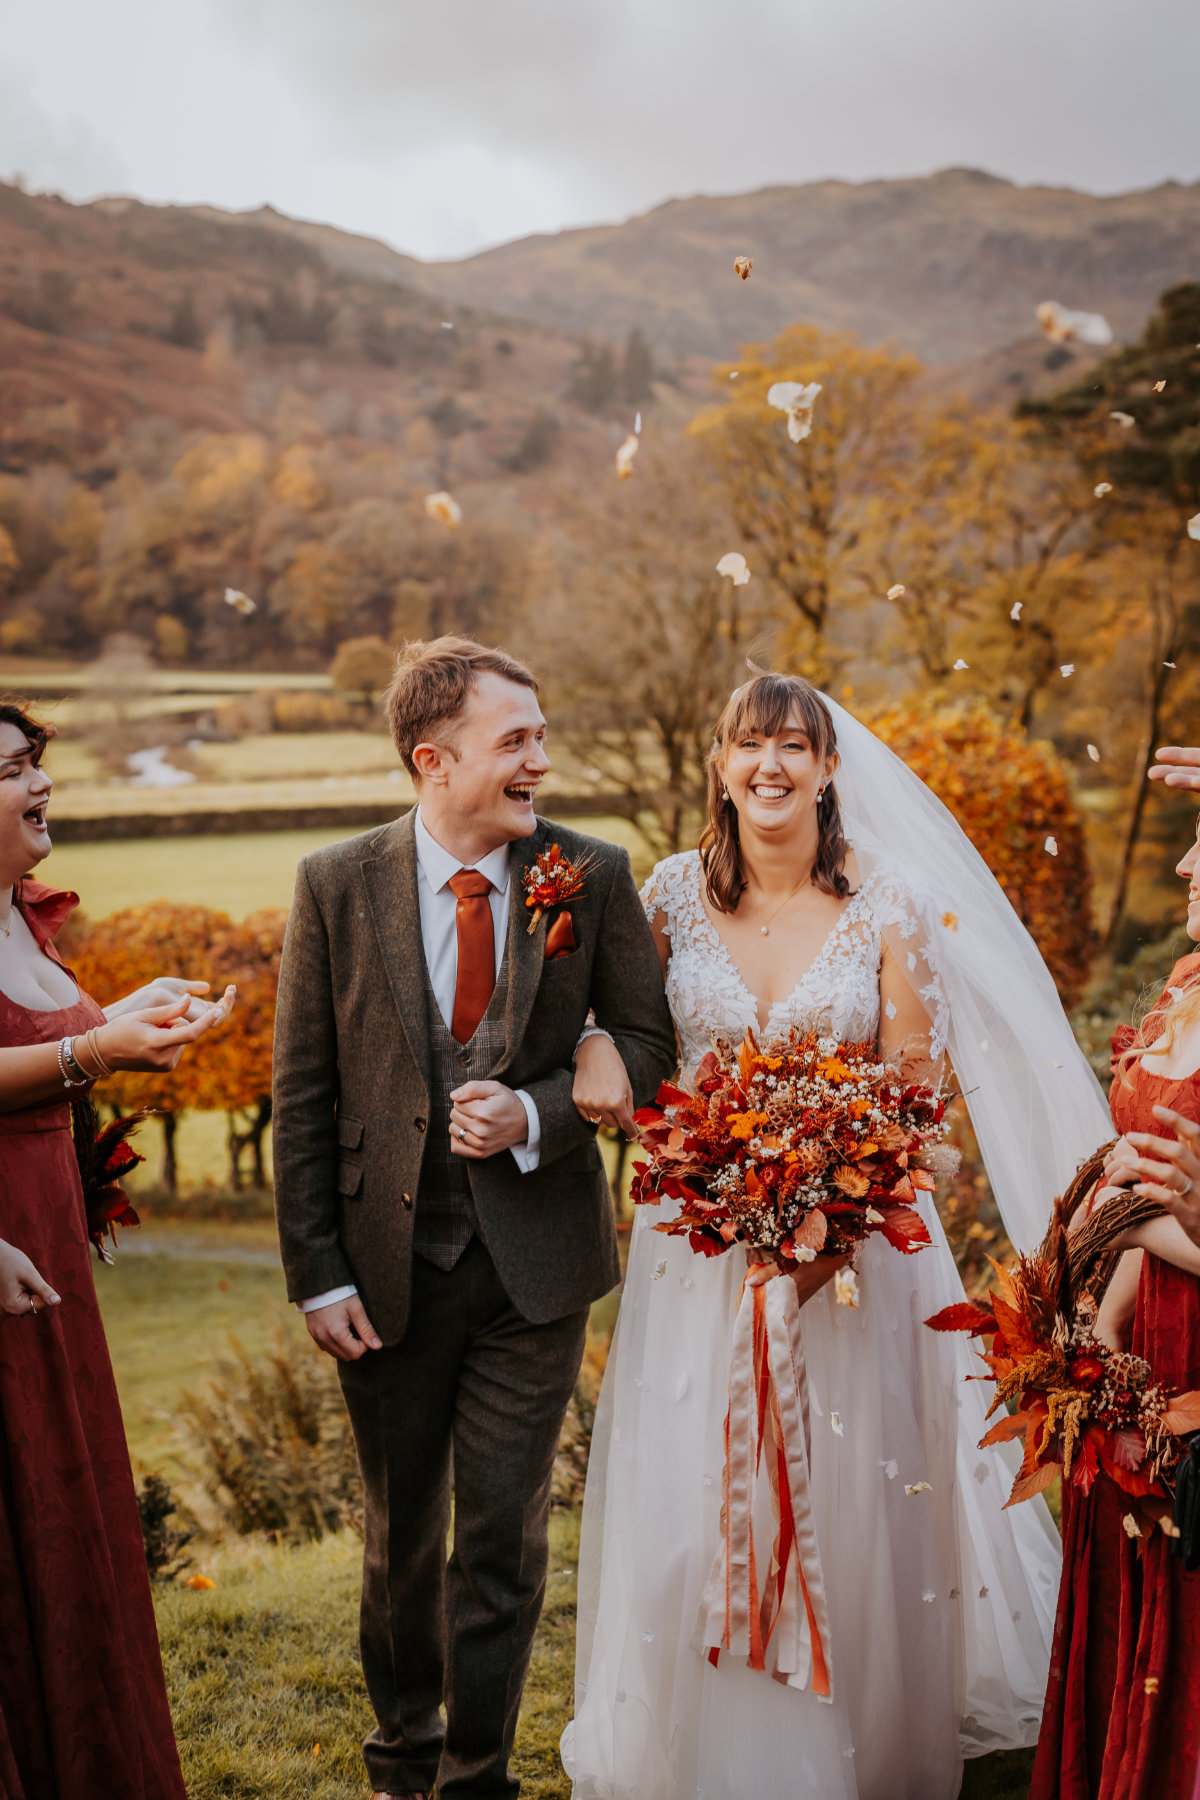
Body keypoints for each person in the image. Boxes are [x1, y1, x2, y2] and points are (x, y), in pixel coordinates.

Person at [562, 672, 1113, 1800]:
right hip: (698, 1249)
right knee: (690, 1482)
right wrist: (617, 1086)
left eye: (792, 745)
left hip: (855, 1257)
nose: (770, 764)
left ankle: (853, 1734)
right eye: (749, 744)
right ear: (721, 765)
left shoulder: (887, 904)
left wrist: (833, 1204)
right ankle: (698, 1740)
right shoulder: (667, 896)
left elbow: (916, 1088)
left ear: (826, 768)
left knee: (855, 1493)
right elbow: (629, 1044)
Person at [271, 637, 676, 1800]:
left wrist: (542, 1110)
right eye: (517, 742)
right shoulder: (334, 884)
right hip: (381, 1267)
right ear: (432, 758)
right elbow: (302, 1094)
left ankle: (476, 1776)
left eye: (540, 738)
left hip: (532, 1267)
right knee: (401, 1540)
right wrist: (317, 1274)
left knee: (501, 1536)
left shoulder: (590, 875)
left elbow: (647, 1046)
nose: (540, 762)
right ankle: (401, 1755)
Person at [0, 698, 236, 1799]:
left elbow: (57, 1040)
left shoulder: (23, 917)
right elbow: (64, 1058)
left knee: (67, 1507)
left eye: (32, 759)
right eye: (8, 770)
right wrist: (96, 1051)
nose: (37, 780)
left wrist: (130, 1013)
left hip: (47, 1252)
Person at [1029, 815, 1200, 1800]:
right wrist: (1100, 1326)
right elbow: (1139, 1184)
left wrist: (1131, 1234)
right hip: (1143, 1332)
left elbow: (1149, 1210)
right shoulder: (1184, 982)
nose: (1184, 863)